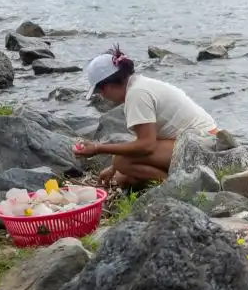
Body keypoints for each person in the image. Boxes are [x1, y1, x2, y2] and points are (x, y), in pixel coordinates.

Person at [72, 45, 218, 187]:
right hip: (197, 142)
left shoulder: (137, 94)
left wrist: (98, 148)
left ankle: (178, 188)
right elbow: (146, 140)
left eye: (100, 92)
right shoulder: (138, 85)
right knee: (122, 177)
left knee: (121, 162)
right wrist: (113, 169)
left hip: (202, 145)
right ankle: (175, 180)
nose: (102, 97)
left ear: (107, 86)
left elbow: (146, 145)